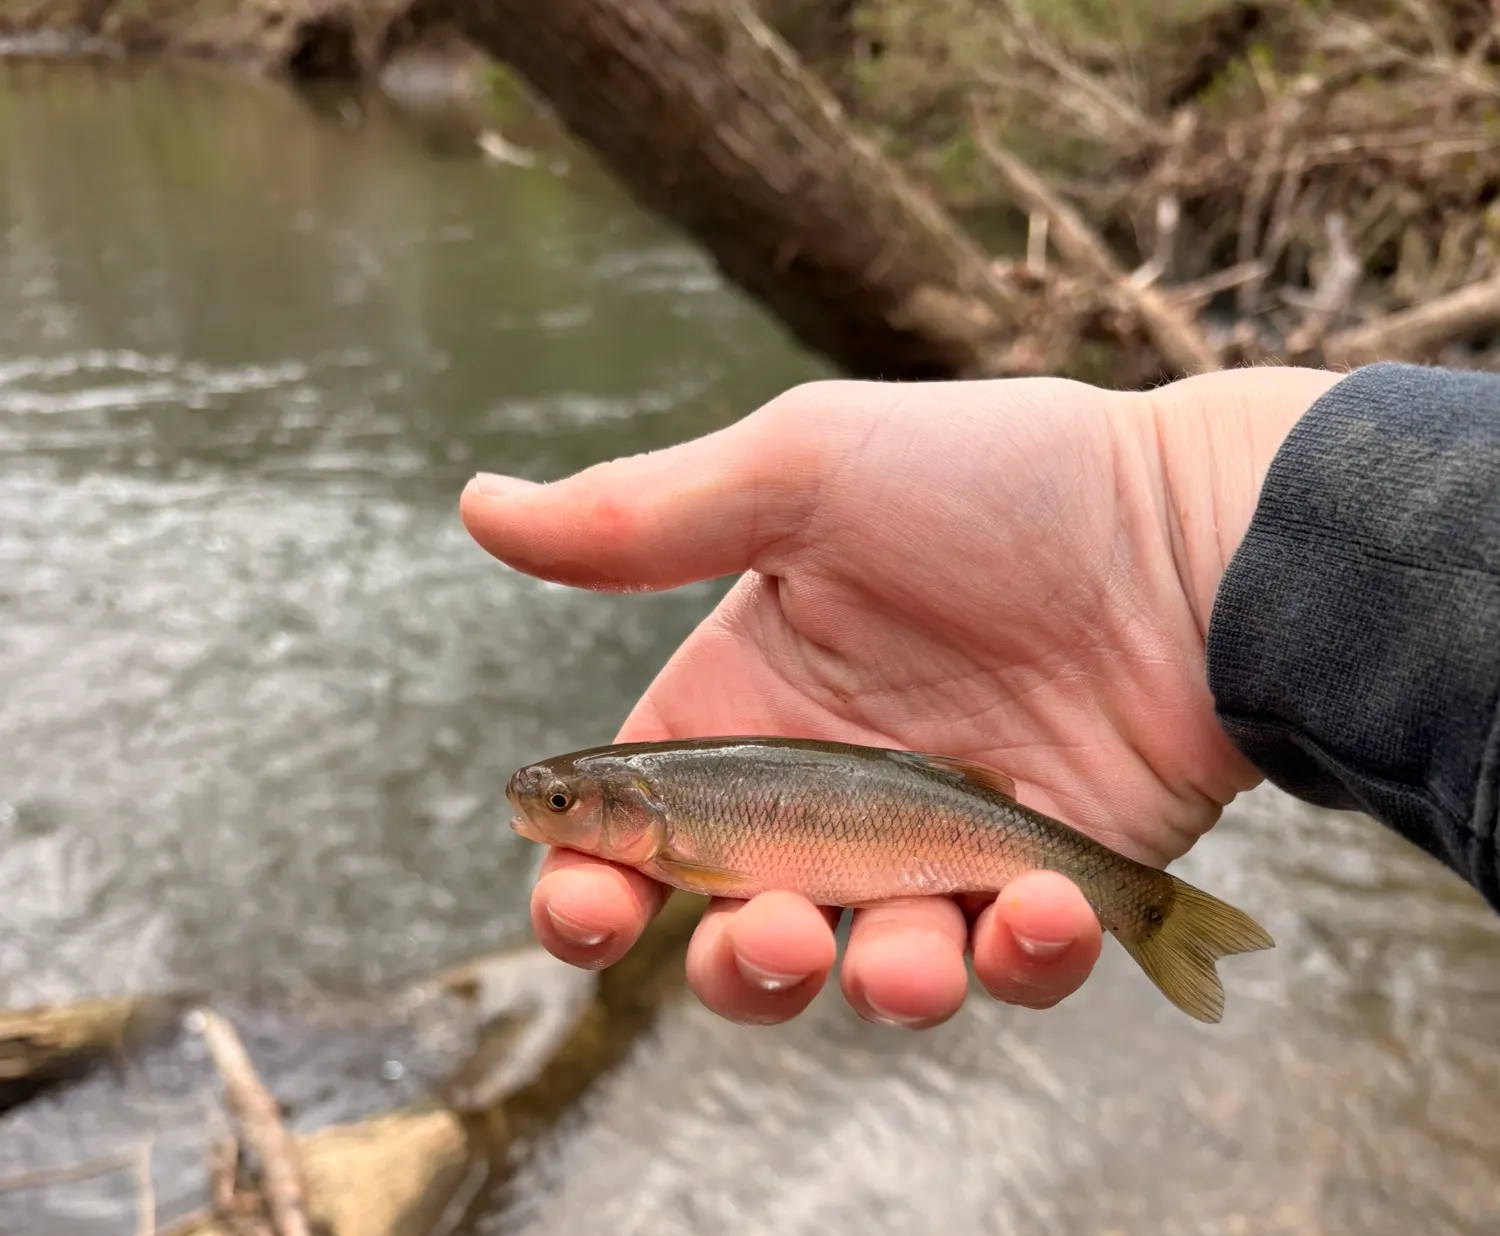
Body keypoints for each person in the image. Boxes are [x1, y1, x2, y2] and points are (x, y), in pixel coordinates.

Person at [460, 361, 1500, 1029]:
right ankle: (1141, 906)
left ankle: (1148, 910)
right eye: (559, 799)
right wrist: (1178, 520)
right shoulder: (669, 821)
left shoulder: (681, 836)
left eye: (560, 801)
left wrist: (1174, 519)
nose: (547, 808)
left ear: (620, 809)